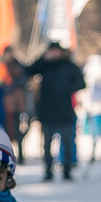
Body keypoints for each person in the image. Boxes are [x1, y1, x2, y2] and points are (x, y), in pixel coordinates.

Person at [28, 42, 84, 181]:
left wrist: (66, 89)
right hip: (47, 111)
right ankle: (48, 171)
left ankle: (67, 170)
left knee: (67, 142)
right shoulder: (45, 66)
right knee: (47, 144)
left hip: (65, 110)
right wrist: (43, 58)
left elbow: (81, 83)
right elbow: (28, 71)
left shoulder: (68, 66)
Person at [82, 52, 101, 162]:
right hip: (95, 108)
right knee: (96, 131)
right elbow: (86, 92)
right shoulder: (90, 75)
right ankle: (96, 151)